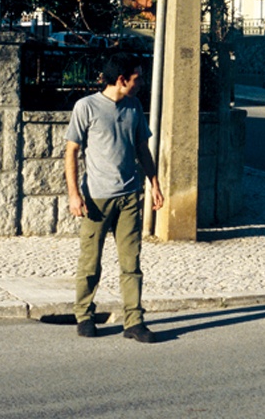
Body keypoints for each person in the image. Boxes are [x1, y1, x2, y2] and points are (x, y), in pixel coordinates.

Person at [65, 53, 165, 341]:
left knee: (131, 263)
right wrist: (74, 194)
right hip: (96, 198)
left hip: (129, 196)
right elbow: (71, 151)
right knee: (90, 262)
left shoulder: (134, 107)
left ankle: (133, 321)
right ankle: (84, 316)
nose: (141, 83)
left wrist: (154, 184)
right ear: (122, 80)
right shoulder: (86, 107)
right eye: (138, 78)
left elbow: (142, 149)